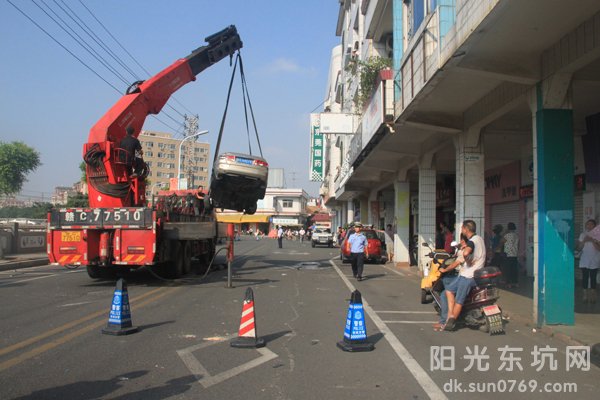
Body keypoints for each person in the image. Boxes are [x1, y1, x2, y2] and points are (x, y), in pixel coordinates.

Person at [434, 220, 486, 331]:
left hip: (468, 276)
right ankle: (449, 318)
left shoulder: (472, 241)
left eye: (462, 228)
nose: (461, 230)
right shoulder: (480, 239)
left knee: (459, 301)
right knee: (449, 290)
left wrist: (467, 258)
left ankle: (450, 323)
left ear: (466, 229)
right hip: (468, 275)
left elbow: (466, 253)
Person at [576, 219, 600, 303]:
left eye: (591, 224)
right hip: (584, 260)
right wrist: (584, 241)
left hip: (594, 260)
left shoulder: (598, 235)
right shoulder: (583, 235)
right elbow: (578, 248)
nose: (589, 226)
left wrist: (593, 241)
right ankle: (585, 295)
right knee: (585, 277)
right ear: (586, 225)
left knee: (593, 278)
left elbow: (599, 249)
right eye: (588, 224)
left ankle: (593, 295)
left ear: (594, 226)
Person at [500, 222, 519, 288]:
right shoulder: (516, 235)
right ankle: (515, 282)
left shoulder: (507, 235)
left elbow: (501, 242)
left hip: (508, 255)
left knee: (508, 269)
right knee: (514, 269)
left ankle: (508, 283)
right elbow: (518, 245)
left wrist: (504, 233)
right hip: (515, 255)